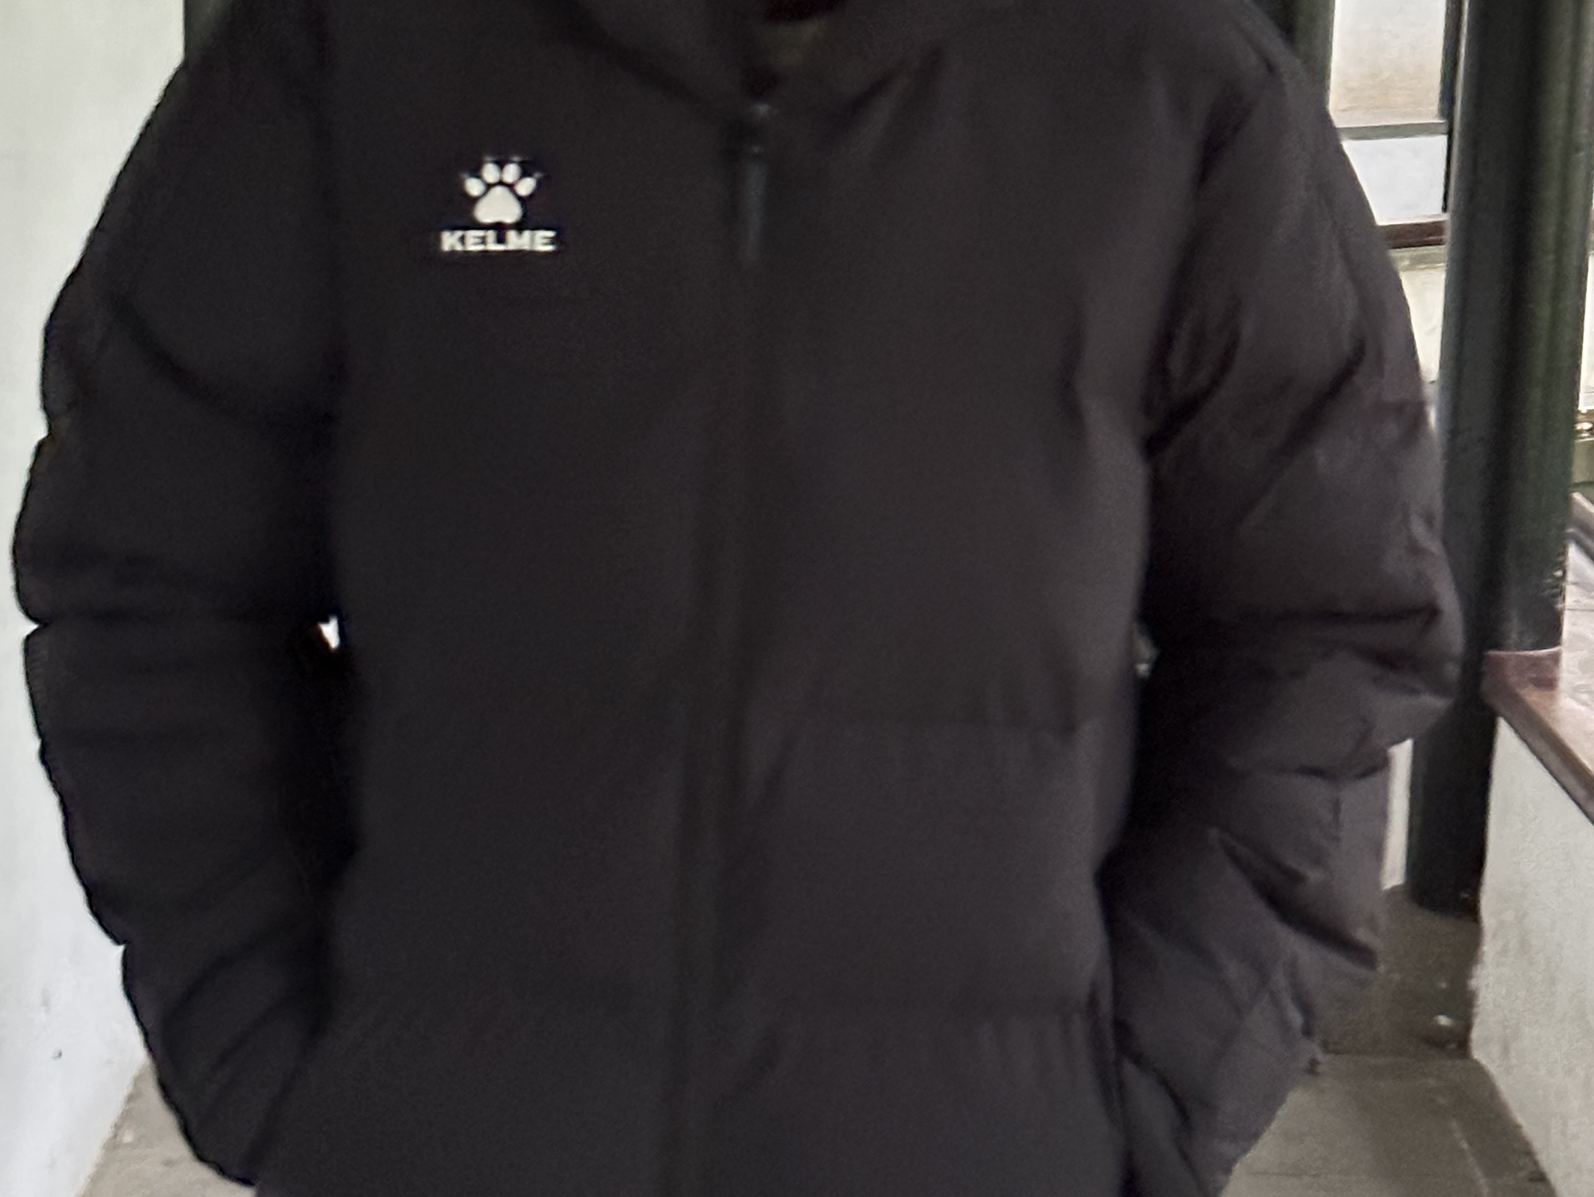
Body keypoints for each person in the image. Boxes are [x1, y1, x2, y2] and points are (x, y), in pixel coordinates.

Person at [12, 0, 1461, 1194]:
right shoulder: (351, 56)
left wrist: (1150, 1087)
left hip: (981, 1148)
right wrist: (279, 1056)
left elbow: (1324, 626)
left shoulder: (1172, 84)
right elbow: (149, 579)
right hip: (450, 1136)